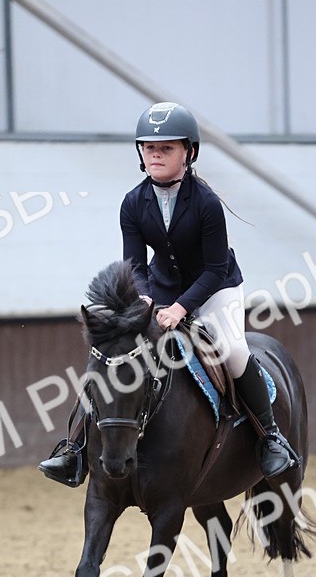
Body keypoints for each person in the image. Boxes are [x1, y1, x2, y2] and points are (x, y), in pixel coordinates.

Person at [39, 101, 299, 487]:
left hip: (216, 289)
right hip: (159, 291)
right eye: (150, 148)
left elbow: (214, 270)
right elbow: (134, 265)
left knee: (233, 350)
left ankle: (270, 437)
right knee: (112, 353)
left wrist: (179, 308)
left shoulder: (206, 203)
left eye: (166, 148)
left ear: (189, 153)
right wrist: (144, 298)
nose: (156, 155)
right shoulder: (132, 202)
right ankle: (75, 448)